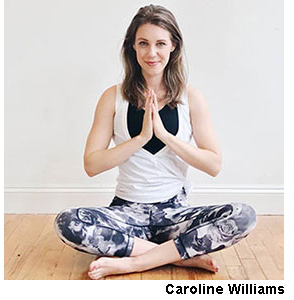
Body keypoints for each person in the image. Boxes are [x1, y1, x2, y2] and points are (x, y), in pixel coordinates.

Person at [54, 4, 257, 280]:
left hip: (174, 214)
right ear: (132, 48)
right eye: (143, 43)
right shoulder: (112, 98)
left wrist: (165, 136)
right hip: (126, 214)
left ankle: (134, 262)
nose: (152, 53)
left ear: (173, 46)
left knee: (244, 216)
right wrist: (140, 139)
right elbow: (92, 164)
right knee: (67, 222)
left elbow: (214, 164)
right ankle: (177, 256)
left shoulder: (191, 98)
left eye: (160, 43)